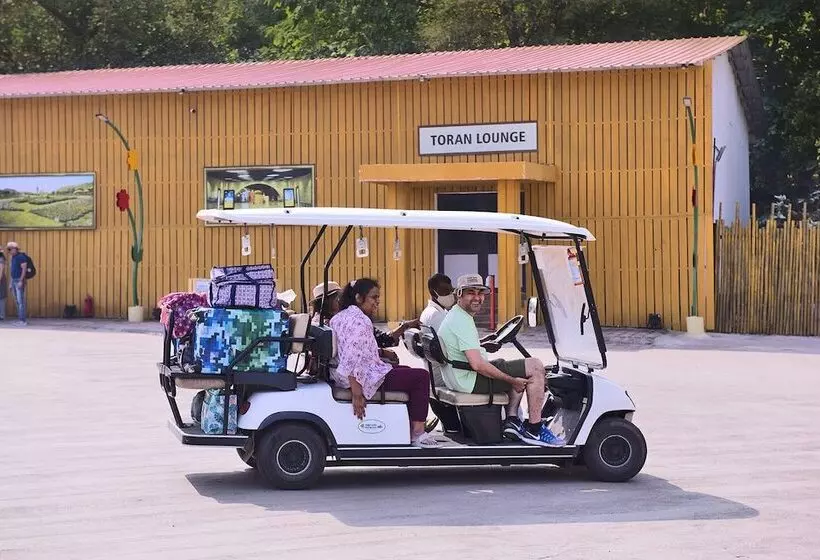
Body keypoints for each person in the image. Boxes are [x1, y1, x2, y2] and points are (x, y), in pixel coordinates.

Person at [437, 273, 565, 447]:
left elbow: (466, 350)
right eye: (470, 293)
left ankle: (511, 421)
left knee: (507, 364)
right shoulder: (461, 321)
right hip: (468, 380)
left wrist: (482, 344)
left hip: (459, 376)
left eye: (480, 293)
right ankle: (534, 428)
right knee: (535, 367)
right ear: (459, 294)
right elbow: (478, 365)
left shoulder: (456, 315)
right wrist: (512, 381)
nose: (477, 298)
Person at [329, 278, 440, 448]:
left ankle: (409, 425)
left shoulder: (340, 317)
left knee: (405, 370)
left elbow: (357, 350)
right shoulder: (359, 320)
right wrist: (357, 392)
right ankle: (418, 433)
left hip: (355, 373)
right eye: (374, 297)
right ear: (359, 298)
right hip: (362, 378)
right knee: (421, 377)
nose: (377, 302)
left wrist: (381, 355)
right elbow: (352, 356)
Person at [310, 279, 418, 365]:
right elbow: (352, 352)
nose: (341, 300)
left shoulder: (334, 318)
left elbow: (378, 339)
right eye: (338, 297)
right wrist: (382, 352)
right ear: (326, 301)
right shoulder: (336, 322)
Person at [419, 273, 455, 386]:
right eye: (445, 291)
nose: (450, 295)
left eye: (451, 291)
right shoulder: (436, 315)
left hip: (437, 369)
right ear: (433, 292)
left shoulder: (433, 311)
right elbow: (451, 348)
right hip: (443, 374)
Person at [6, 242, 29, 325]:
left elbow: (24, 269)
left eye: (10, 249)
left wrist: (21, 281)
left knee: (20, 301)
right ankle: (20, 319)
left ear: (15, 248)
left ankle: (22, 321)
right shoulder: (13, 257)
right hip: (14, 281)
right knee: (17, 301)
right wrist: (10, 283)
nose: (9, 251)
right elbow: (13, 271)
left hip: (19, 280)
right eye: (8, 249)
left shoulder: (21, 257)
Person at [0, 249, 7, 321]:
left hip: (1, 280)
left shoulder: (1, 259)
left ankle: (2, 315)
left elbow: (1, 270)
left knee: (1, 297)